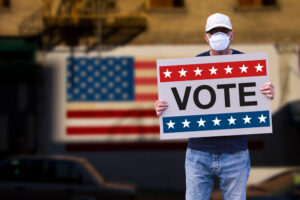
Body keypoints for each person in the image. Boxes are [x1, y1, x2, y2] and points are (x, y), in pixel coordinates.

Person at [154, 13, 274, 200]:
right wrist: (163, 107)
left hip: (235, 153)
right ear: (206, 37)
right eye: (213, 31)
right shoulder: (194, 65)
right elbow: (180, 100)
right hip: (198, 153)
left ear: (231, 35)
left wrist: (267, 93)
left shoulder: (249, 65)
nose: (218, 35)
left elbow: (258, 97)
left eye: (223, 31)